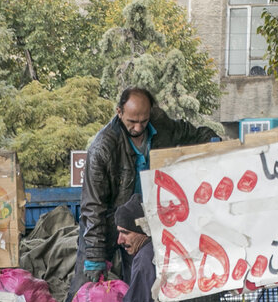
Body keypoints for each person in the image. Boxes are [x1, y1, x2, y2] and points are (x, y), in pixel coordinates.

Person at [76, 87, 217, 290]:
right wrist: (95, 254)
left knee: (141, 285)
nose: (138, 127)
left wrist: (211, 140)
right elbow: (92, 207)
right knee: (86, 290)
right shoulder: (102, 147)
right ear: (119, 112)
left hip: (149, 222)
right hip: (107, 225)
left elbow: (188, 133)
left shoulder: (160, 124)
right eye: (132, 121)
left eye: (143, 120)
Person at [103, 195, 166, 302]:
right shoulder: (159, 251)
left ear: (142, 231)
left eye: (125, 232)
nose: (119, 240)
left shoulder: (146, 258)